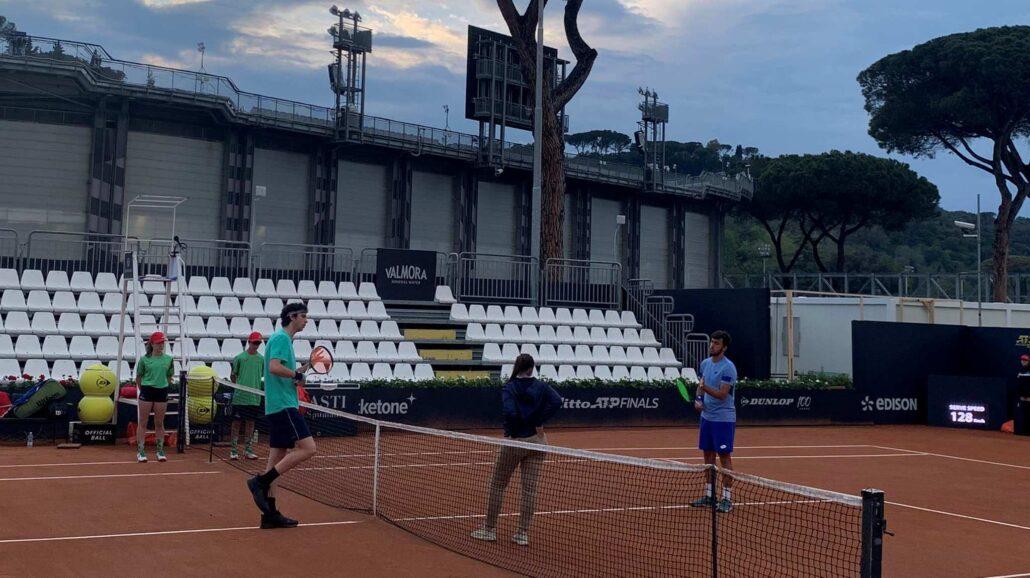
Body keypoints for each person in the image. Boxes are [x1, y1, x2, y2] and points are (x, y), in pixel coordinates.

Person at [471, 354, 562, 547]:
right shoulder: (541, 386)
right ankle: (522, 533)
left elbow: (510, 412)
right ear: (532, 368)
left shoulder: (510, 387)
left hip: (517, 441)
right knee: (529, 490)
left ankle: (489, 529)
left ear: (517, 367)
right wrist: (538, 421)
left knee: (497, 484)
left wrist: (512, 432)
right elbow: (557, 401)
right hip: (538, 441)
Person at [246, 303, 315, 529]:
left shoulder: (283, 340)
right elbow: (275, 367)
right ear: (291, 317)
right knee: (308, 448)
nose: (306, 320)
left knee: (275, 460)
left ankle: (270, 514)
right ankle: (259, 482)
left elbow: (283, 374)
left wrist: (302, 370)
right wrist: (295, 373)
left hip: (278, 404)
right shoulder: (281, 339)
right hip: (284, 406)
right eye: (303, 316)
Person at [690, 330, 738, 513]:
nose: (712, 345)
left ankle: (727, 499)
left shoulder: (728, 368)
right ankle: (710, 495)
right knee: (708, 457)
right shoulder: (705, 364)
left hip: (723, 419)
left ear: (724, 347)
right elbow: (700, 387)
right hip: (707, 418)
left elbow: (722, 394)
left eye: (717, 343)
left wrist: (704, 389)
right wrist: (699, 399)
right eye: (712, 342)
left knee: (724, 457)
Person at [135, 332, 174, 463]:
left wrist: (162, 385)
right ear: (152, 344)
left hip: (161, 391)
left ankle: (160, 451)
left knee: (159, 422)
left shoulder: (169, 359)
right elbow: (139, 377)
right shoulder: (144, 360)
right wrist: (144, 389)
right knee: (143, 422)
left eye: (162, 342)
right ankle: (140, 451)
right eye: (158, 343)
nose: (161, 345)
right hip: (147, 390)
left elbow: (169, 376)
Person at [229, 332, 265, 461]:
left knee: (250, 424)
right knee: (236, 424)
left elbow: (261, 375)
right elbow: (233, 375)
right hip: (240, 397)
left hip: (254, 398)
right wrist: (238, 387)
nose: (256, 345)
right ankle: (233, 450)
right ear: (249, 342)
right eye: (254, 342)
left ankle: (248, 450)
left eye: (258, 343)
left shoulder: (261, 359)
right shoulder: (239, 358)